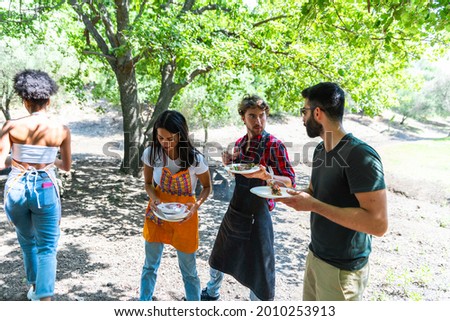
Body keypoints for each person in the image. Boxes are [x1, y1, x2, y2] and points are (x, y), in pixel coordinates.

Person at [278, 82, 388, 301]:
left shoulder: (360, 155)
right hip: (315, 256)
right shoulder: (320, 149)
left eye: (304, 111)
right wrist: (279, 188)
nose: (302, 118)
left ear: (317, 113)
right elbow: (313, 192)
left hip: (342, 272)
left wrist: (313, 205)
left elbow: (378, 224)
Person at [203, 95, 296, 301]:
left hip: (259, 214)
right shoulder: (239, 144)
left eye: (262, 116)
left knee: (259, 268)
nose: (258, 121)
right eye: (252, 116)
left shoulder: (274, 145)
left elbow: (289, 181)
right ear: (243, 118)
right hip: (236, 208)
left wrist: (268, 176)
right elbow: (236, 173)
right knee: (219, 255)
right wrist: (228, 162)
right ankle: (211, 292)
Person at [0, 69, 72, 301]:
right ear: (48, 100)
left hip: (17, 188)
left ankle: (33, 286)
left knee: (27, 240)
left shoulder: (10, 126)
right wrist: (46, 159)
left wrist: (20, 158)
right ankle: (45, 298)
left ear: (24, 100)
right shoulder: (62, 130)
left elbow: (1, 162)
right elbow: (66, 166)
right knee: (47, 246)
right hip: (45, 188)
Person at [140, 110, 212, 301]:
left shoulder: (195, 159)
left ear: (181, 134)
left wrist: (196, 205)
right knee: (149, 265)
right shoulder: (151, 153)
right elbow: (148, 184)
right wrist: (155, 199)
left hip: (185, 215)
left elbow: (206, 187)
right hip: (157, 212)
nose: (165, 142)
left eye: (170, 138)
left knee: (189, 271)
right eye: (160, 137)